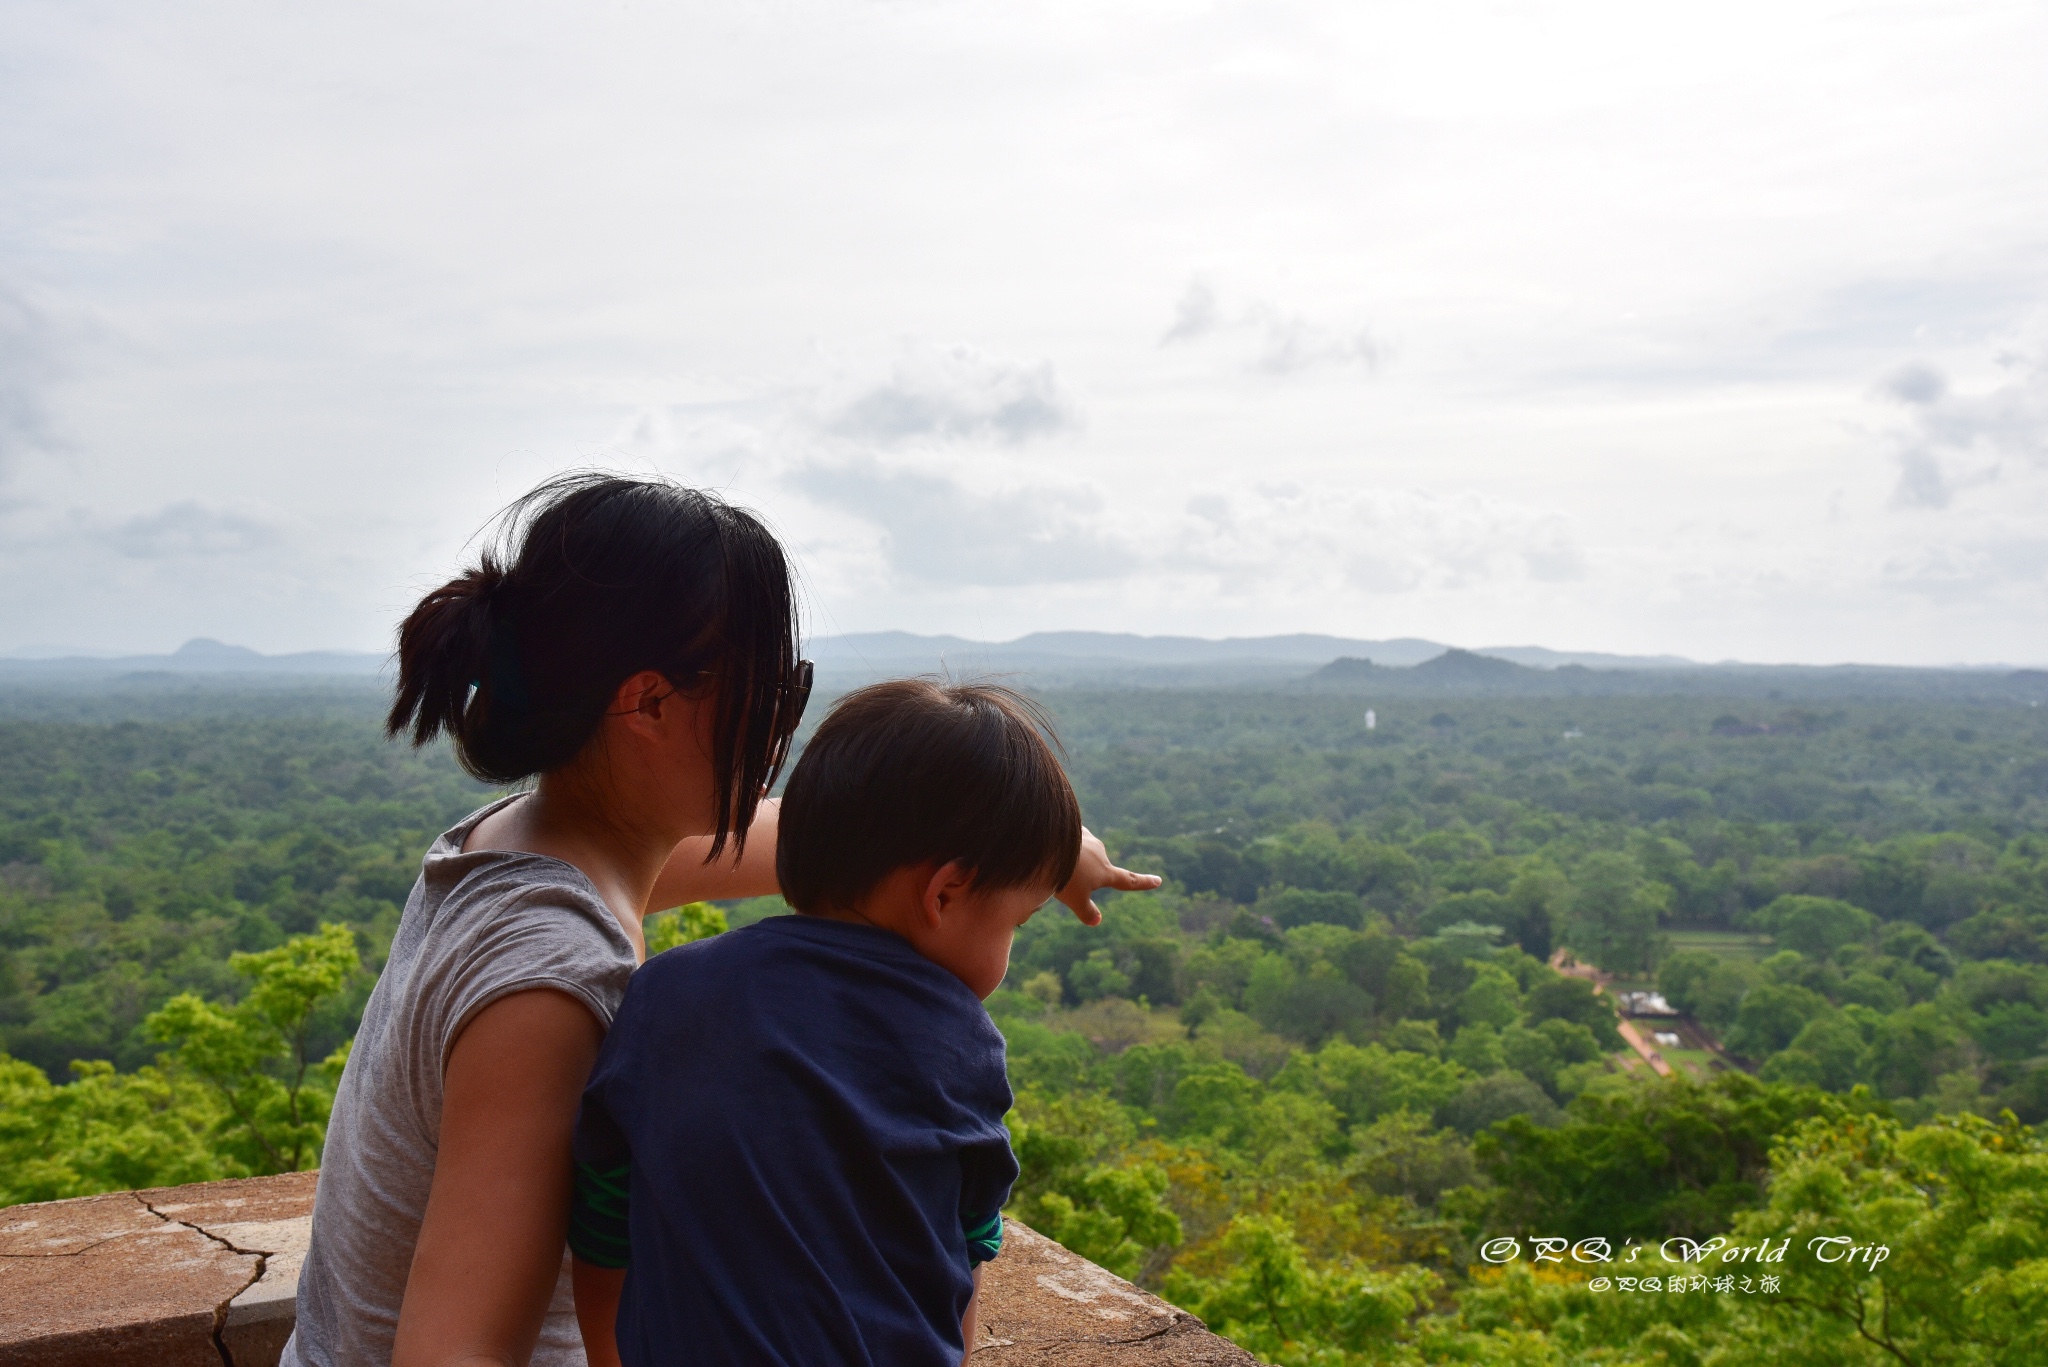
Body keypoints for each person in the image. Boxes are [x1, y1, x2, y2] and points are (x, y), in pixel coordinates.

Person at [282, 473, 1156, 1367]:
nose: (784, 728)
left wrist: (1039, 846)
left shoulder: (533, 838)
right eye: (774, 691)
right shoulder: (548, 982)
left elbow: (854, 852)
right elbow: (449, 1354)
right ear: (651, 704)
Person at [567, 680, 1089, 1367]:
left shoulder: (664, 991)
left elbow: (605, 1225)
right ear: (945, 893)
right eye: (1015, 924)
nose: (1009, 952)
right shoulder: (957, 1039)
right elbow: (965, 1250)